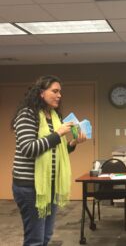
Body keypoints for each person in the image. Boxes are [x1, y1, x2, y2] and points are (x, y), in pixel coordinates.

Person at [11, 75, 87, 246]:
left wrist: (73, 142)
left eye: (60, 92)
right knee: (35, 240)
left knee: (46, 236)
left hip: (49, 185)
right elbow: (29, 149)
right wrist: (58, 133)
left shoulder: (53, 116)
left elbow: (55, 151)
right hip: (30, 186)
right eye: (55, 91)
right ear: (41, 93)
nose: (59, 95)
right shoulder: (27, 114)